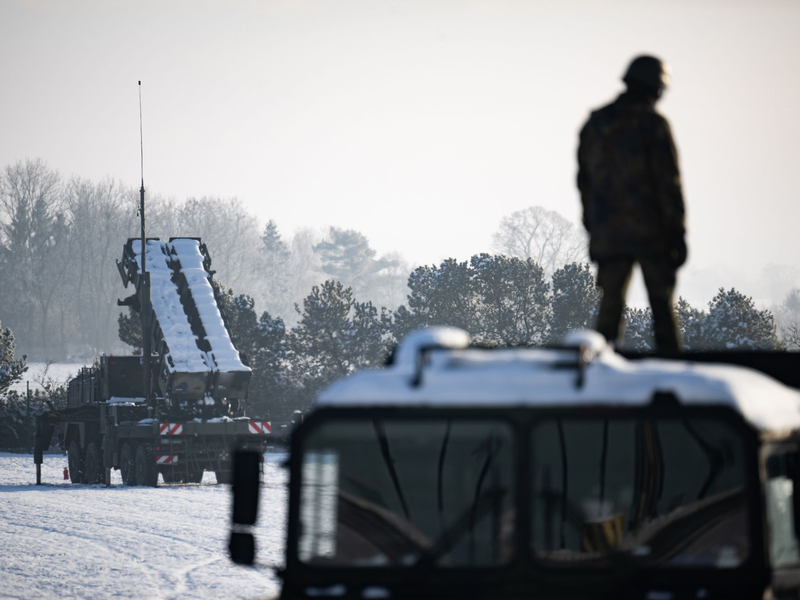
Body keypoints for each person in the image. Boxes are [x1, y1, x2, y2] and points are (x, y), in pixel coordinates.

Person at [577, 55, 686, 353]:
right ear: (656, 88)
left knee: (609, 309)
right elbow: (668, 185)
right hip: (652, 233)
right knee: (661, 307)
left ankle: (601, 369)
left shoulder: (596, 124)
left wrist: (593, 226)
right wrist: (677, 232)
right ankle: (672, 371)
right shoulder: (653, 125)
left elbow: (584, 183)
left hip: (609, 234)